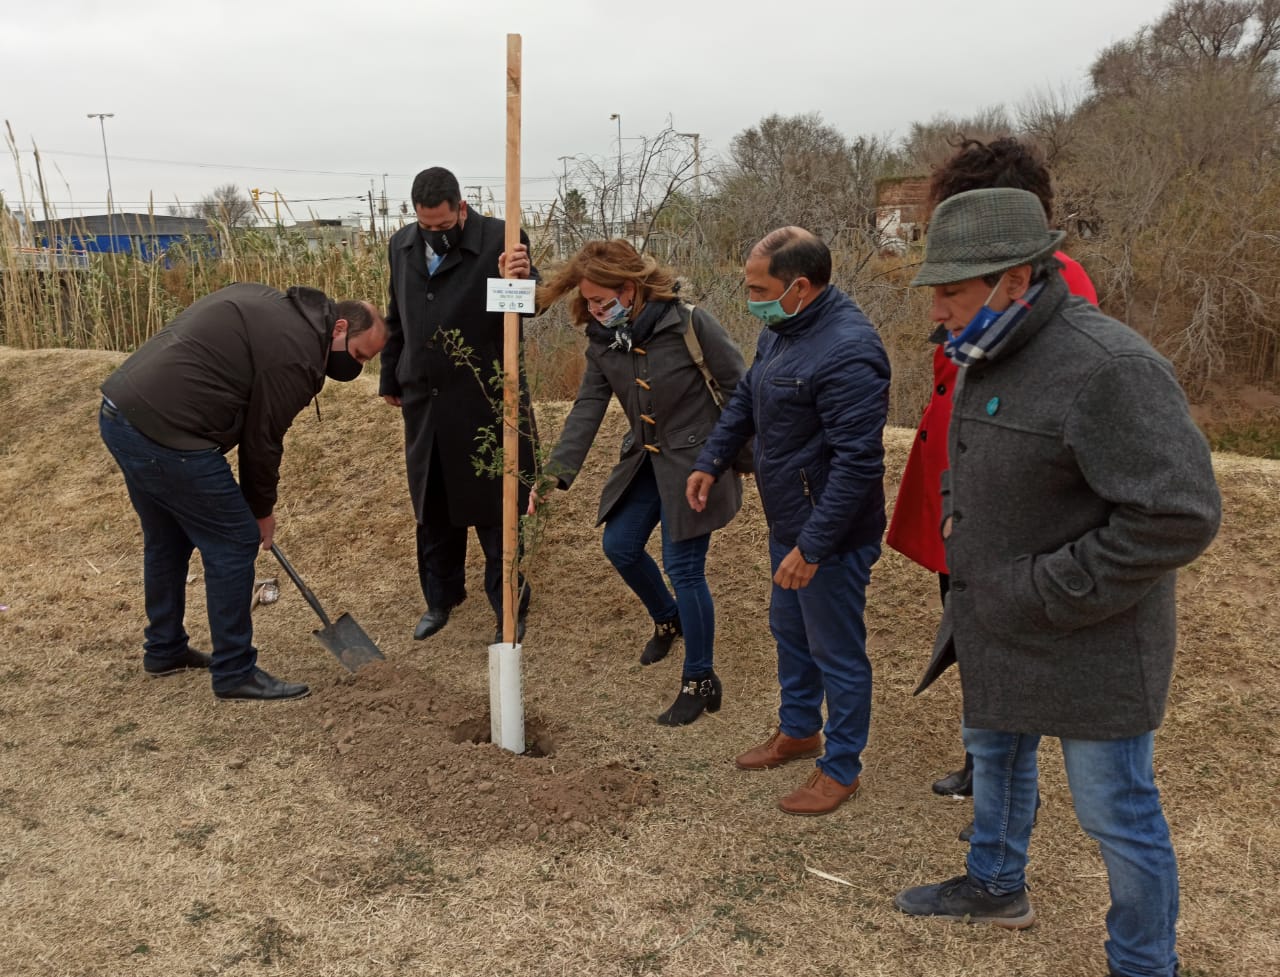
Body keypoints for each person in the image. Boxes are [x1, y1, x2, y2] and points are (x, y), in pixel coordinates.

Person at [892, 188, 1221, 977]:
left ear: (1014, 278)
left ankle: (1143, 962)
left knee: (1116, 813)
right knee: (996, 759)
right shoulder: (983, 348)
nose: (936, 309)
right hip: (996, 623)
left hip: (1092, 640)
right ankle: (995, 884)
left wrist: (1045, 588)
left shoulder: (1110, 367)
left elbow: (1179, 514)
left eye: (952, 289)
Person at [884, 137, 1099, 805]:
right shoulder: (979, 284)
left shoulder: (1053, 284)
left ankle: (995, 777)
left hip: (1001, 498)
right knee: (968, 628)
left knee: (997, 642)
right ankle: (984, 761)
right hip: (960, 485)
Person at [99, 284, 388, 701]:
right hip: (168, 431)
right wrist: (260, 511)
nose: (356, 367)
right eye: (359, 355)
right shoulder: (297, 355)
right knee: (234, 541)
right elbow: (263, 441)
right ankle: (234, 671)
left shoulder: (276, 306)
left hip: (123, 411)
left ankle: (164, 649)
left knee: (167, 538)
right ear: (340, 327)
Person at [687, 227, 889, 815]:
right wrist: (711, 460)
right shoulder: (782, 329)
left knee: (836, 650)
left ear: (799, 286)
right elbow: (746, 400)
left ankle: (842, 767)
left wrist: (815, 546)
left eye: (758, 289)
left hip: (831, 536)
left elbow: (858, 464)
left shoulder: (849, 350)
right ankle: (800, 730)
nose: (751, 300)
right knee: (791, 632)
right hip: (790, 521)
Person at [532, 241, 748, 725]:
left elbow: (741, 390)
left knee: (684, 567)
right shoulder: (603, 338)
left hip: (698, 464)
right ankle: (669, 618)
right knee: (620, 545)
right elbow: (589, 405)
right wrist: (555, 472)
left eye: (600, 300)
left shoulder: (690, 324)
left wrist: (729, 459)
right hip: (646, 460)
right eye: (587, 300)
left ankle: (700, 679)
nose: (593, 309)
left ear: (630, 289)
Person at [380, 167, 538, 646]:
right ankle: (440, 598)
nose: (434, 233)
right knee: (433, 505)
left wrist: (522, 277)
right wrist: (391, 374)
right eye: (426, 225)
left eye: (444, 225)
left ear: (462, 209)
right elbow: (396, 315)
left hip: (486, 399)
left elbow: (529, 305)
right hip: (424, 399)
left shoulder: (502, 240)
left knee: (496, 510)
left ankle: (507, 606)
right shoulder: (401, 245)